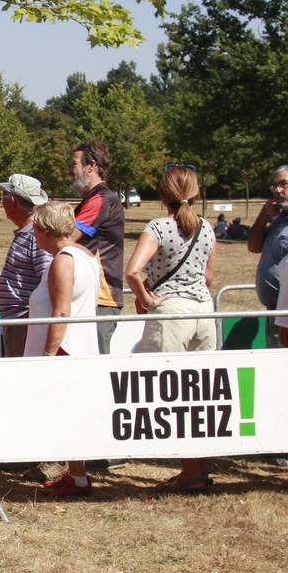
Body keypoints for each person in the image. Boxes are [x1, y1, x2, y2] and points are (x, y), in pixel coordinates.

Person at [125, 165, 219, 493]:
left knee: (170, 393)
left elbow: (133, 272)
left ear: (162, 193)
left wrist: (148, 300)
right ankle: (196, 470)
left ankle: (190, 472)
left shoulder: (158, 227)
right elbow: (208, 277)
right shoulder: (207, 228)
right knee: (201, 395)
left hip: (173, 313)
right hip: (204, 312)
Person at [24, 201, 100, 498]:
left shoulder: (64, 260)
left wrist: (47, 355)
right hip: (78, 346)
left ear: (45, 230)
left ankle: (77, 477)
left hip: (65, 349)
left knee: (65, 416)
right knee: (72, 414)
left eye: (35, 231)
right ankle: (77, 475)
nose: (33, 237)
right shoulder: (86, 256)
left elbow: (61, 312)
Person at [68, 143, 124, 352]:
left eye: (73, 164)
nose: (68, 170)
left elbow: (67, 238)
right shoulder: (92, 200)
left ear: (91, 166)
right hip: (91, 297)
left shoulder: (100, 200)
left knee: (96, 367)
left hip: (101, 299)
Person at [0, 174, 53, 357]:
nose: (1, 201)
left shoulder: (35, 236)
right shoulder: (28, 233)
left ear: (12, 200)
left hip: (25, 323)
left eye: (3, 196)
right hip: (20, 322)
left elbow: (48, 281)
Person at [249, 164, 288, 346]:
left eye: (284, 184)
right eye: (274, 186)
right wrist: (263, 216)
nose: (277, 190)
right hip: (274, 312)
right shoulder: (279, 219)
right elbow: (253, 246)